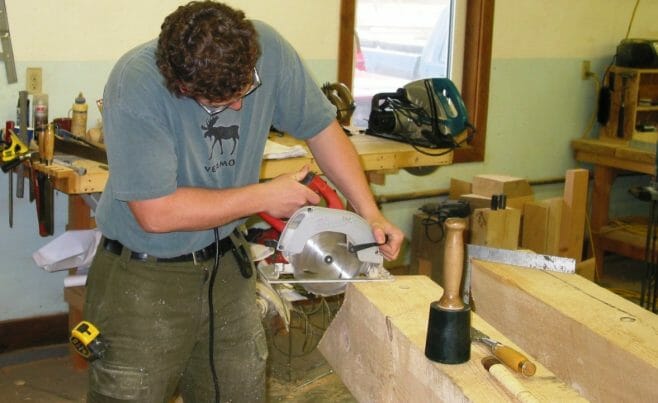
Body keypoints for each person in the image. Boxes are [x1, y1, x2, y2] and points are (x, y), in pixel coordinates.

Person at [83, 1, 404, 402]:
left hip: (226, 268)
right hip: (144, 277)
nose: (238, 107)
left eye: (245, 90)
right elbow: (156, 212)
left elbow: (321, 128)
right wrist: (264, 196)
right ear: (180, 85)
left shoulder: (266, 46)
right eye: (219, 103)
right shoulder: (136, 83)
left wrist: (369, 212)